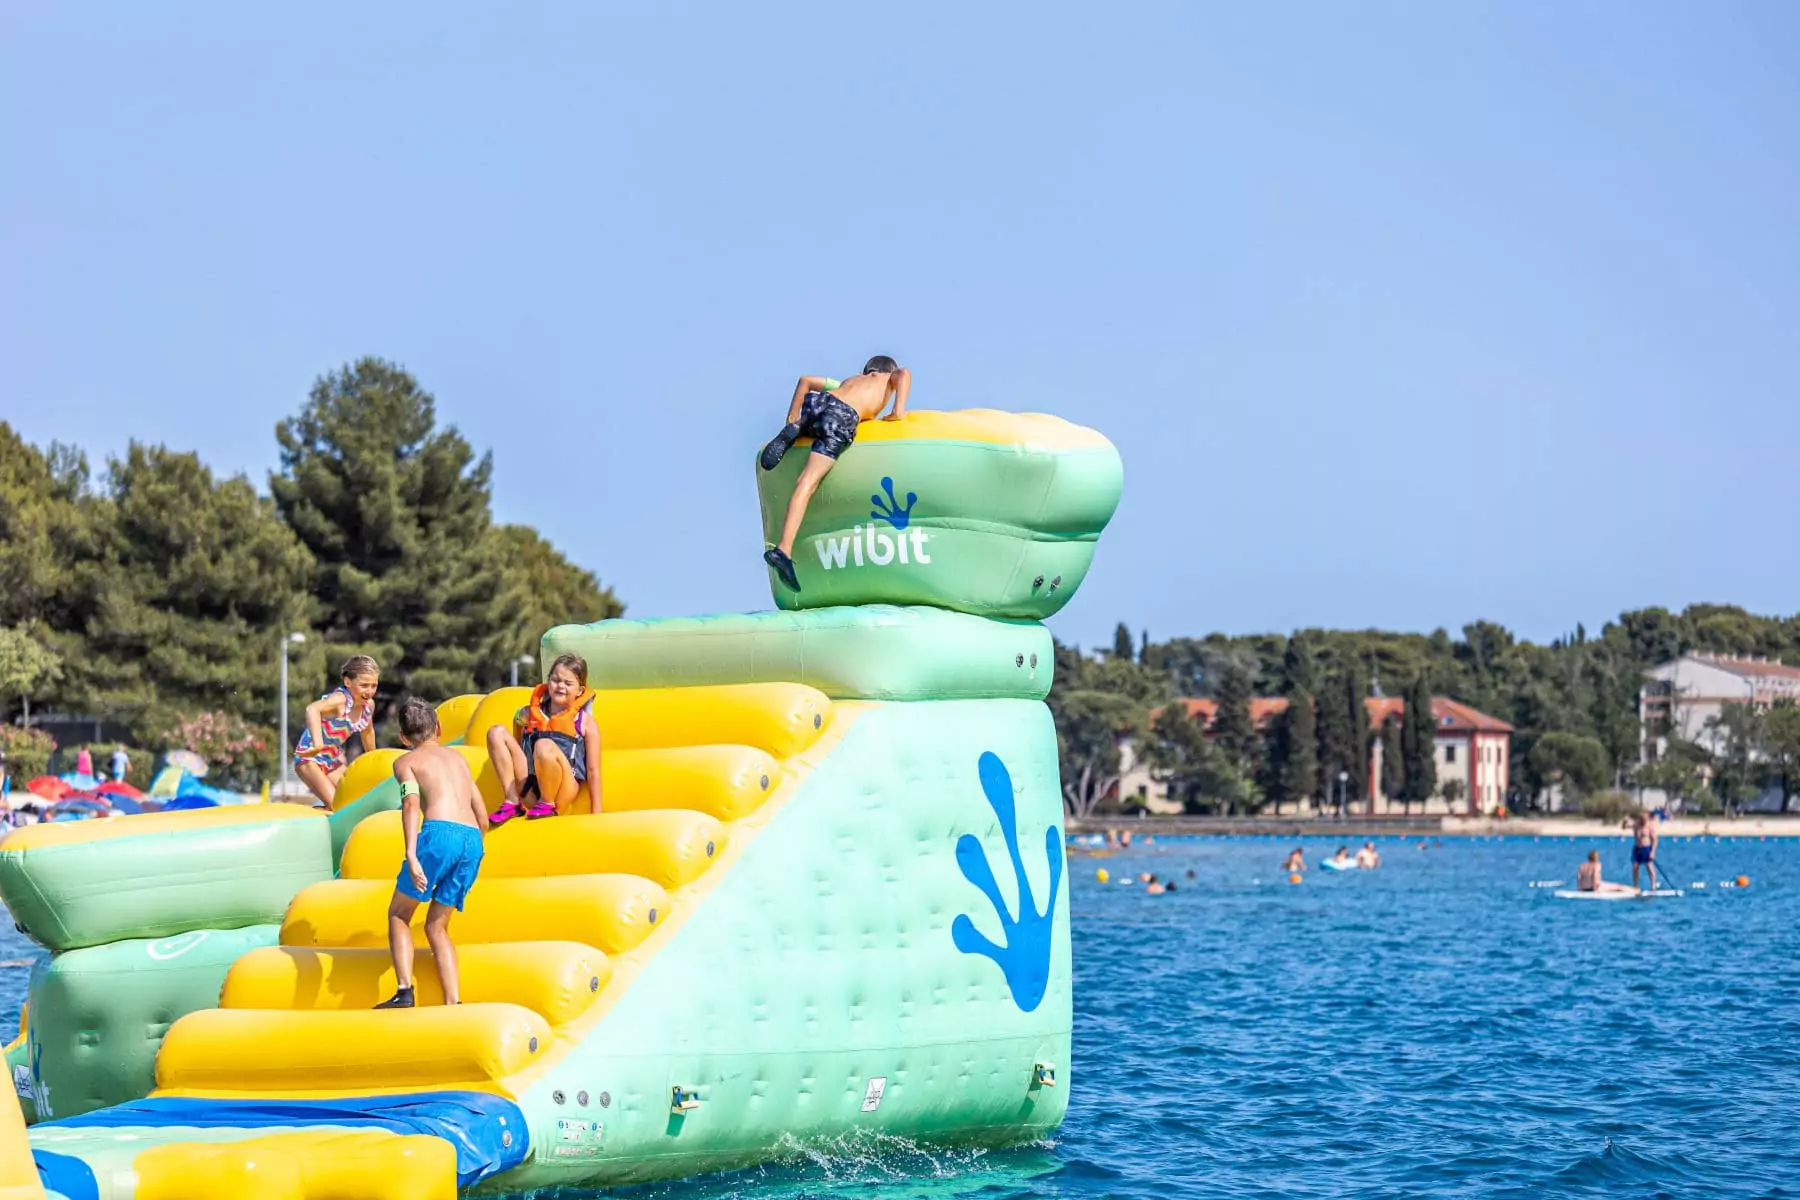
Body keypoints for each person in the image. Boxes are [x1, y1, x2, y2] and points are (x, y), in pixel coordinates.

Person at [758, 356, 912, 592]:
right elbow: (904, 373)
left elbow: (805, 380)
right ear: (886, 372)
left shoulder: (849, 382)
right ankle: (783, 550)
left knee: (808, 425)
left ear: (866, 371)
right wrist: (897, 410)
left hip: (820, 403)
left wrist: (790, 417)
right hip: (842, 417)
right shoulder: (887, 379)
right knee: (806, 483)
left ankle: (796, 427)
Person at [375, 697, 490, 1009]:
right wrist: (473, 848)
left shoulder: (405, 763)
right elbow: (482, 817)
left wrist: (412, 855)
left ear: (403, 738)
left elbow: (411, 804)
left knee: (399, 914)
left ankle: (404, 991)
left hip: (440, 834)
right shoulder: (459, 760)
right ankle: (453, 1000)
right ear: (438, 728)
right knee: (436, 925)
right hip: (472, 841)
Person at [486, 653, 602, 824]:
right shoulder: (530, 713)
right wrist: (519, 719)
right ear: (548, 682)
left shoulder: (584, 722)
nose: (560, 686)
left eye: (568, 683)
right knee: (496, 732)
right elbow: (518, 746)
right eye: (555, 680)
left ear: (580, 690)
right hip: (530, 786)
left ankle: (547, 802)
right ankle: (512, 801)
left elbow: (593, 771)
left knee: (543, 745)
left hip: (562, 789)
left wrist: (596, 814)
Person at [293, 655, 381, 808]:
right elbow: (312, 709)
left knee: (355, 800)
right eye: (364, 685)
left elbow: (367, 733)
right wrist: (318, 745)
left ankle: (323, 812)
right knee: (337, 804)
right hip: (309, 760)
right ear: (348, 682)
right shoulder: (340, 700)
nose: (370, 691)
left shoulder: (368, 706)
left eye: (374, 685)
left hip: (332, 762)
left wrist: (374, 764)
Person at [1626, 810, 1660, 891]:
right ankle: (1635, 886)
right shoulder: (1636, 825)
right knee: (1635, 867)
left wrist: (1652, 851)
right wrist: (1625, 821)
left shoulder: (1649, 827)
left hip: (1646, 848)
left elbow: (1655, 840)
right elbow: (1624, 827)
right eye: (1641, 818)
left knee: (1649, 866)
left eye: (1644, 819)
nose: (1643, 820)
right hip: (1637, 848)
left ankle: (1653, 885)